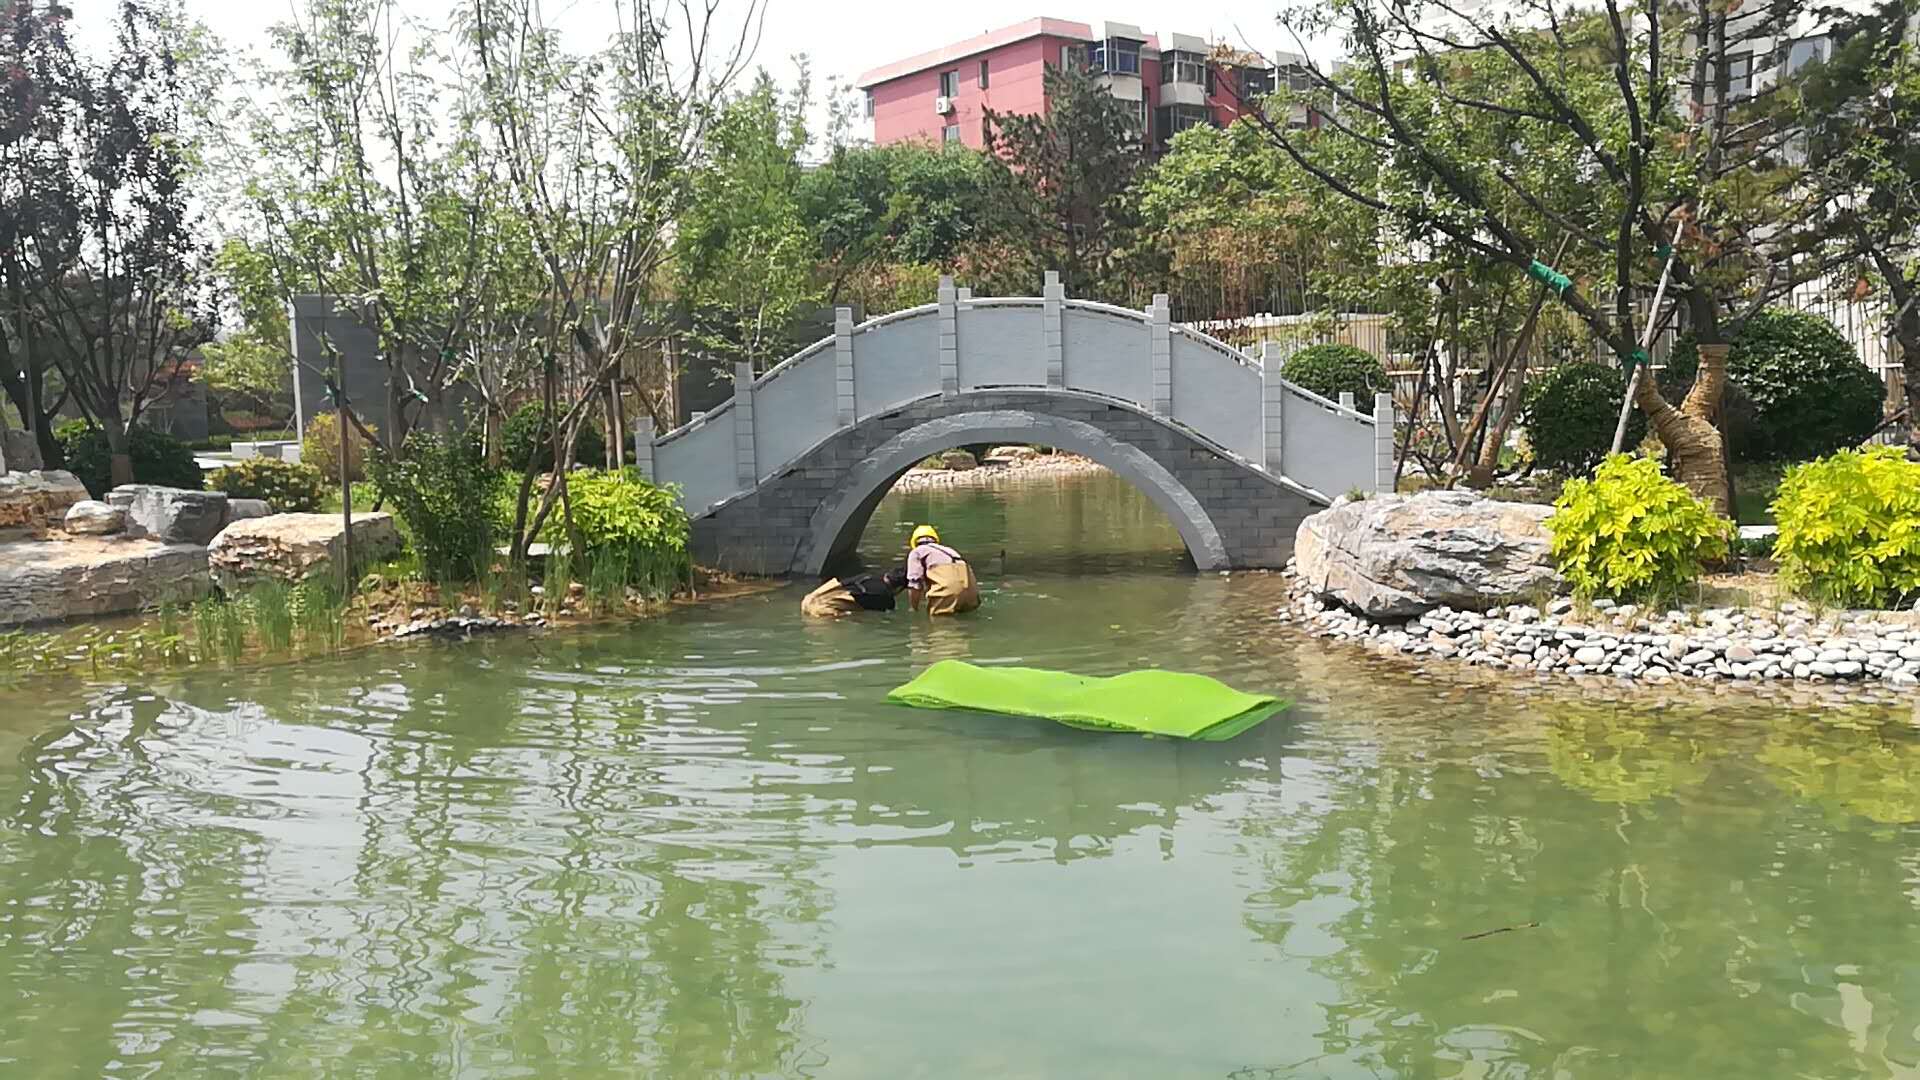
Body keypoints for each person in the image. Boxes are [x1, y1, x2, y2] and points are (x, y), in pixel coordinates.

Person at [905, 524, 980, 615]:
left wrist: (913, 609)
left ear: (914, 542)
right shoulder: (950, 550)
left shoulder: (917, 552)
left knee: (940, 625)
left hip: (948, 591)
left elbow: (915, 584)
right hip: (972, 593)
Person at [801, 567, 908, 618]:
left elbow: (837, 583)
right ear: (898, 589)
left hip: (808, 601)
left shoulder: (867, 576)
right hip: (826, 611)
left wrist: (813, 594)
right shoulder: (888, 600)